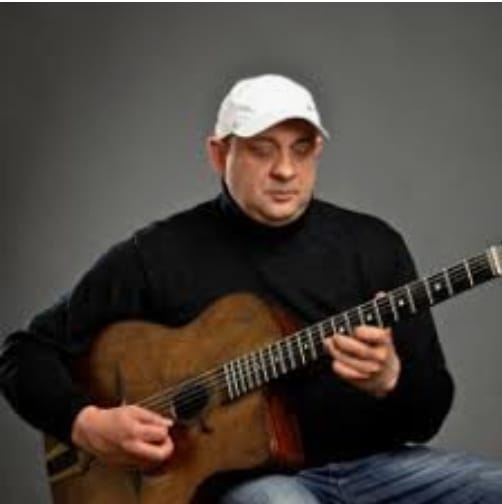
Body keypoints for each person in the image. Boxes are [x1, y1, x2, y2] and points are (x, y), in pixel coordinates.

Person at [1, 74, 501, 503]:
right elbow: (23, 353)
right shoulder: (156, 256)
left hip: (376, 471)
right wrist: (86, 424)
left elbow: (428, 415)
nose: (285, 170)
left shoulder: (375, 246)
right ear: (219, 153)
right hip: (252, 488)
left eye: (301, 149)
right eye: (262, 149)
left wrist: (391, 379)